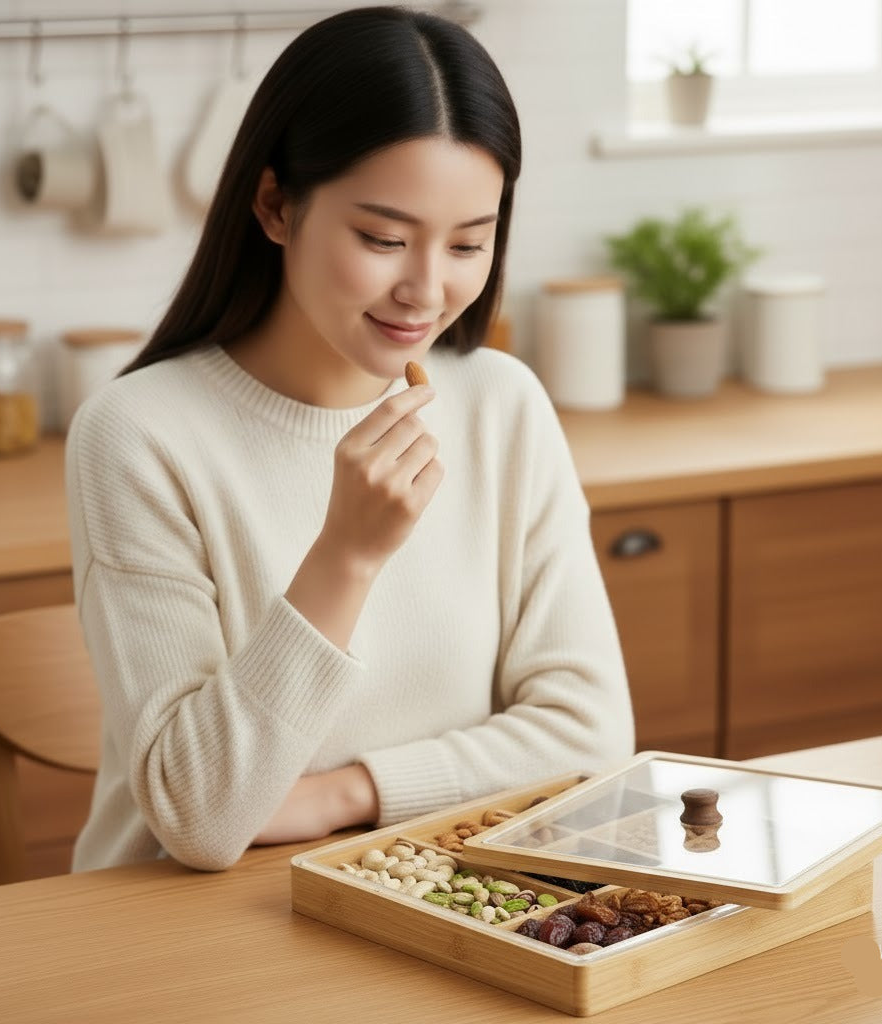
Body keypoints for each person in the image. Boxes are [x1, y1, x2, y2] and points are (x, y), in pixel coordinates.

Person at [67, 5, 634, 873]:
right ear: (275, 206)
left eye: (468, 244)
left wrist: (347, 792)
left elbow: (593, 735)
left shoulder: (501, 404)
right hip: (178, 936)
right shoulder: (140, 435)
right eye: (383, 238)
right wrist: (347, 555)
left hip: (427, 890)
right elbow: (202, 818)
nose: (425, 289)